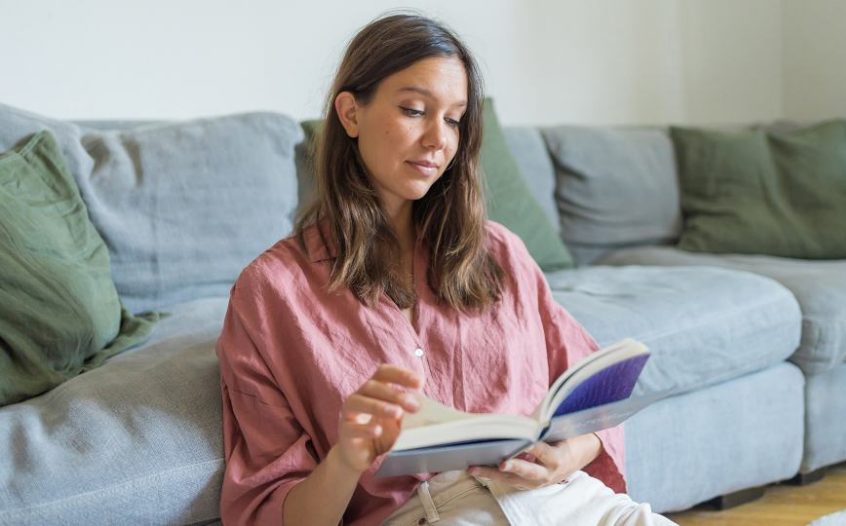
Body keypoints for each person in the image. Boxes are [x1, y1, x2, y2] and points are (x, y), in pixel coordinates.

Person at [215, 12, 677, 526]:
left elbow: (594, 406)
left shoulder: (499, 253)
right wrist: (347, 457)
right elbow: (269, 512)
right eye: (415, 109)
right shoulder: (272, 293)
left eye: (454, 119)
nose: (439, 139)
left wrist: (566, 456)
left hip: (570, 502)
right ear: (350, 113)